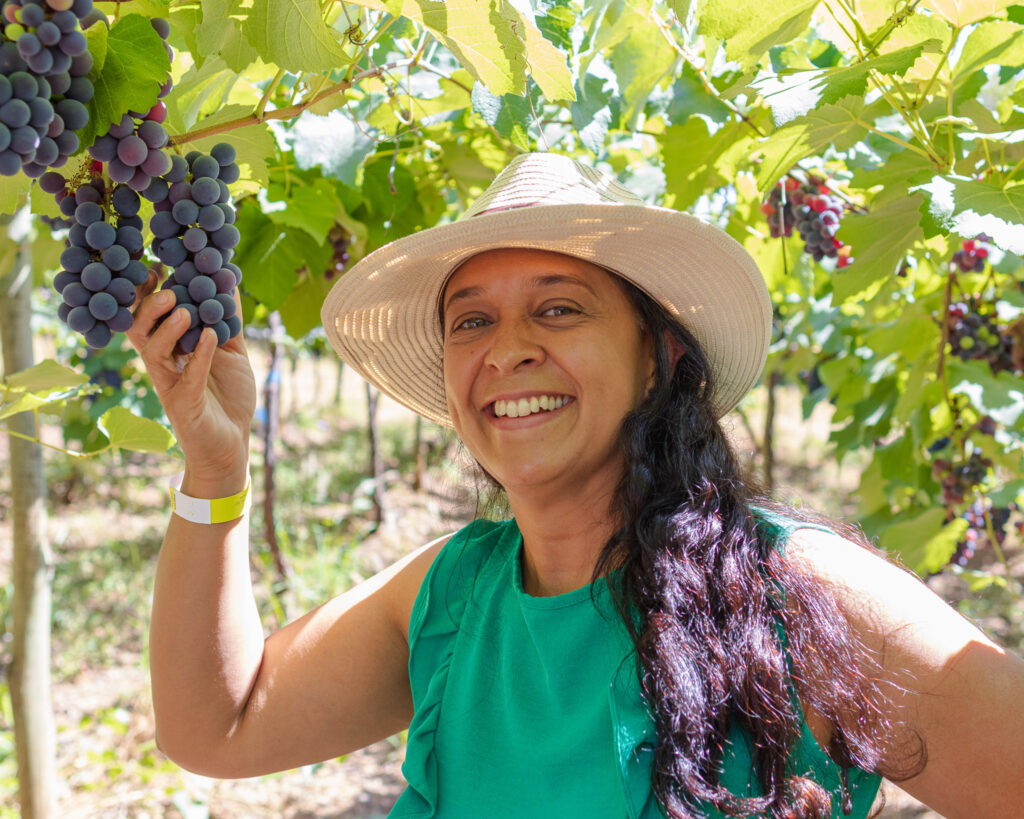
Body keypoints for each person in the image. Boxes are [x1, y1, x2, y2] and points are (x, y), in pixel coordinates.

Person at [127, 152, 1024, 818]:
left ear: (658, 360)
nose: (506, 347)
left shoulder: (797, 595)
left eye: (559, 307)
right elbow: (217, 727)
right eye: (471, 319)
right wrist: (216, 471)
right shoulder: (451, 594)